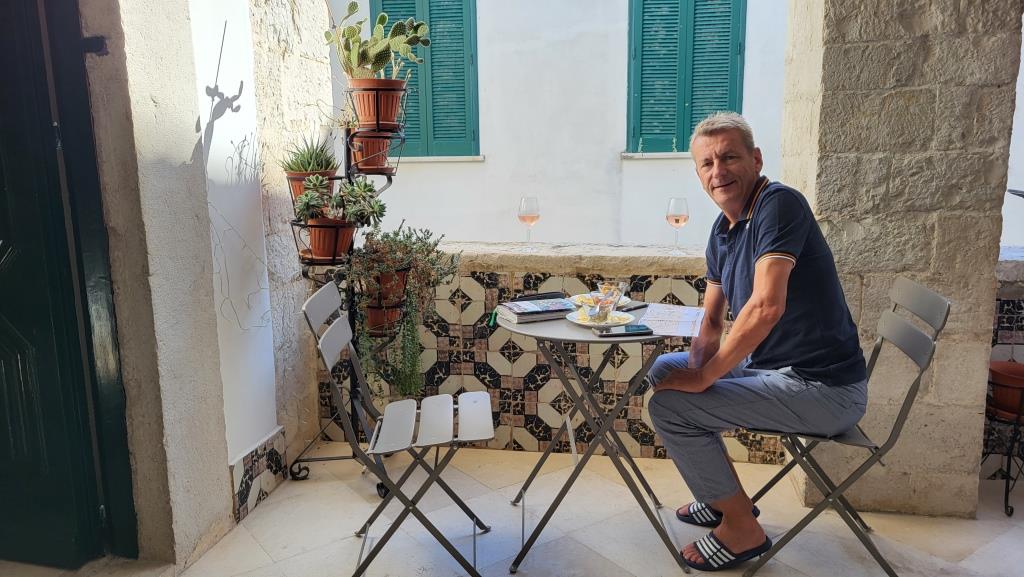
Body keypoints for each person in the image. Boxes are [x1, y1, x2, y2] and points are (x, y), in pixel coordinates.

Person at [647, 112, 868, 572]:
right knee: (666, 371)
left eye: (729, 157)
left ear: (756, 159)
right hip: (776, 371)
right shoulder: (723, 229)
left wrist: (704, 379)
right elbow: (711, 319)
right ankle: (724, 499)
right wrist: (695, 368)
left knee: (669, 408)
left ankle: (741, 527)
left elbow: (767, 306)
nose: (718, 171)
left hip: (825, 390)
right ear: (698, 173)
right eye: (707, 163)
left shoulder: (779, 205)